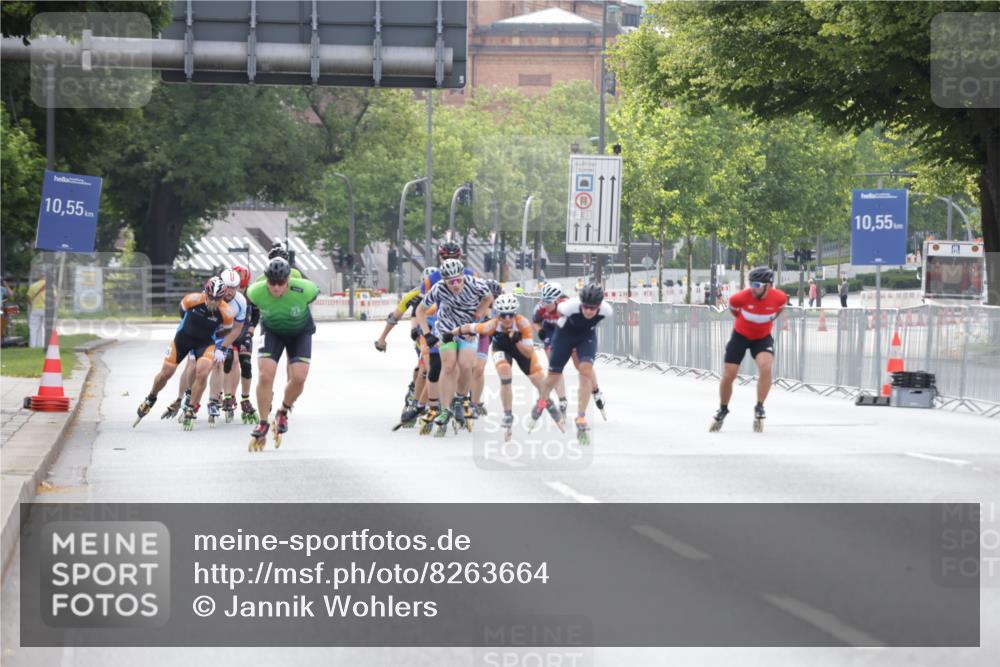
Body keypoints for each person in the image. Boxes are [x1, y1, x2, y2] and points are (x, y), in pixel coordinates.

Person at [134, 277, 238, 429]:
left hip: (205, 343)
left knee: (202, 373)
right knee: (166, 373)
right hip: (183, 338)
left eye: (217, 299)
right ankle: (151, 398)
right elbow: (182, 313)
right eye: (211, 298)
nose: (213, 302)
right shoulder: (192, 300)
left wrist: (217, 345)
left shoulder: (226, 312)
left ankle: (190, 407)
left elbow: (226, 331)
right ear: (206, 293)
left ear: (222, 298)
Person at [245, 257, 320, 450]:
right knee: (265, 374)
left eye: (280, 283)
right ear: (266, 280)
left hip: (299, 333)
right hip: (272, 333)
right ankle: (262, 422)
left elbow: (314, 294)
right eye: (272, 283)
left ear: (288, 280)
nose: (276, 287)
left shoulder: (305, 289)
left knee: (299, 378)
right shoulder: (255, 292)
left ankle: (282, 411)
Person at [453, 292, 551, 439]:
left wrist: (517, 340)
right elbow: (469, 327)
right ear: (498, 314)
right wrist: (450, 333)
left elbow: (529, 352)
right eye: (503, 315)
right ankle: (507, 413)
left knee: (542, 385)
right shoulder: (492, 324)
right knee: (504, 372)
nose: (507, 319)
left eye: (510, 315)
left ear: (515, 314)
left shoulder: (522, 323)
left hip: (521, 350)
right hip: (501, 348)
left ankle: (549, 405)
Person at [414, 258, 493, 436]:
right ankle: (445, 408)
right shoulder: (439, 288)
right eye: (451, 282)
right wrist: (427, 334)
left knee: (466, 365)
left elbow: (489, 297)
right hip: (446, 328)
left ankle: (459, 399)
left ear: (463, 277)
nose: (455, 285)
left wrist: (479, 312)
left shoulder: (476, 284)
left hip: (467, 329)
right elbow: (419, 311)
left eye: (458, 280)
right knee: (448, 366)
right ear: (444, 281)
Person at [710, 266, 787, 433]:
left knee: (766, 366)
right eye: (751, 284)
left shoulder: (779, 298)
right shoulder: (739, 298)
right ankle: (723, 408)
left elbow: (778, 311)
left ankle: (759, 406)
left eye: (757, 285)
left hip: (762, 337)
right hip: (740, 336)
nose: (753, 288)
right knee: (730, 373)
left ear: (768, 285)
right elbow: (734, 312)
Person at [536, 284, 612, 444]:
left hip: (585, 335)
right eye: (586, 307)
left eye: (593, 308)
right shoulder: (567, 307)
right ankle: (552, 400)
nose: (589, 311)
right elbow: (538, 323)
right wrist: (541, 331)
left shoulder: (606, 310)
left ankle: (595, 393)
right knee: (554, 370)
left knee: (583, 368)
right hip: (561, 334)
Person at [27, 273, 47, 348]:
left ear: (39, 277)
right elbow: (53, 299)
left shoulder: (33, 286)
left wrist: (33, 303)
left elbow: (29, 300)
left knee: (33, 328)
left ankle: (32, 346)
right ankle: (41, 345)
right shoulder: (50, 286)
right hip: (46, 310)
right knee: (43, 328)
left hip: (35, 309)